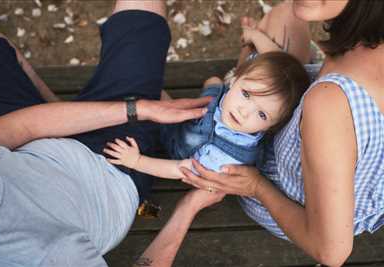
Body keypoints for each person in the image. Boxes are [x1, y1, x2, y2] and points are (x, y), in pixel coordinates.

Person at [132, 1, 384, 267]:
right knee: (285, 14)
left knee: (260, 54)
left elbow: (332, 252)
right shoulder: (366, 39)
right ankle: (241, 84)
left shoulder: (329, 104)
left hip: (295, 203)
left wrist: (256, 186)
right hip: (333, 160)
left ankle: (235, 86)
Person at [0, 1, 211, 266]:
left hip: (35, 148)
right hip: (114, 166)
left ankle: (58, 105)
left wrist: (138, 109)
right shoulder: (50, 253)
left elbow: (23, 127)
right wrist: (189, 207)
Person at [103, 51, 310, 183]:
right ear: (236, 79)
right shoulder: (234, 99)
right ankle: (214, 89)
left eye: (262, 114)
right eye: (246, 94)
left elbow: (179, 169)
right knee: (213, 83)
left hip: (178, 142)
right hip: (208, 110)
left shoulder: (222, 157)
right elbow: (256, 61)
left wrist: (136, 160)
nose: (244, 111)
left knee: (147, 94)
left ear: (271, 127)